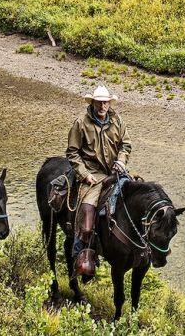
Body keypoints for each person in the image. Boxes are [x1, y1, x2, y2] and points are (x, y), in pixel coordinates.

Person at [65, 85, 131, 277]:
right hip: (93, 175)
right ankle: (82, 255)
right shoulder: (81, 123)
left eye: (106, 102)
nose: (103, 105)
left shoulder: (117, 121)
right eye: (99, 102)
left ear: (110, 103)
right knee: (86, 219)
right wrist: (84, 174)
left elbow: (125, 145)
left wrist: (121, 160)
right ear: (93, 103)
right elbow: (72, 153)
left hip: (115, 171)